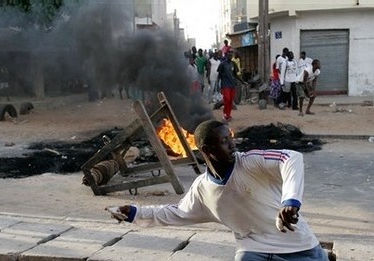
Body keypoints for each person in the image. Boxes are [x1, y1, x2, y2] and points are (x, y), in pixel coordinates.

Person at [107, 120, 328, 261]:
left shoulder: (251, 162)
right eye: (224, 141)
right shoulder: (202, 189)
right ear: (206, 150)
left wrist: (290, 201)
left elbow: (291, 157)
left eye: (230, 139)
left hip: (299, 247)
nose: (232, 145)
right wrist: (135, 213)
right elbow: (176, 212)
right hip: (255, 249)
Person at [217, 50, 245, 121]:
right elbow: (219, 76)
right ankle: (225, 114)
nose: (230, 56)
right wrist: (218, 86)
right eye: (229, 55)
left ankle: (228, 115)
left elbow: (236, 75)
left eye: (231, 55)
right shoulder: (222, 64)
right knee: (227, 99)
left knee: (230, 100)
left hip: (232, 85)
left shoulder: (233, 64)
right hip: (225, 85)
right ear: (226, 55)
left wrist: (242, 81)